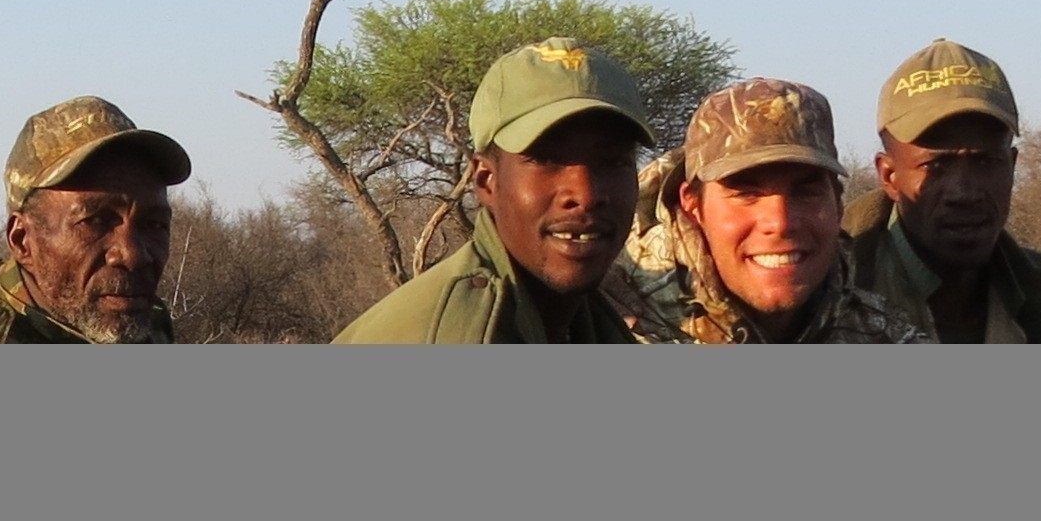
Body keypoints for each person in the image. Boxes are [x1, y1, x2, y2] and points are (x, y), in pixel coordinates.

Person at [839, 39, 1041, 344]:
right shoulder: (825, 293)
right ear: (889, 176)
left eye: (985, 162)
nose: (964, 192)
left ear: (1012, 166)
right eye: (936, 166)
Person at [333, 39, 653, 343]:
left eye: (613, 162)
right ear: (486, 180)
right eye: (545, 160)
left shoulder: (579, 317)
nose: (585, 194)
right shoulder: (456, 335)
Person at [617, 79, 933, 343]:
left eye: (806, 192)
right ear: (693, 206)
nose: (780, 222)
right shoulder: (613, 325)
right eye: (746, 193)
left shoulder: (886, 337)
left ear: (837, 204)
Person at [0, 97, 193, 343]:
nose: (133, 255)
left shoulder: (134, 318)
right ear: (22, 241)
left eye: (155, 225)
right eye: (95, 221)